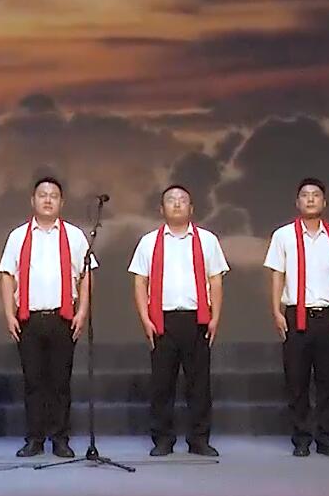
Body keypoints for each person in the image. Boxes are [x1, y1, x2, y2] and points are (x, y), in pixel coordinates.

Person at [0, 177, 95, 458]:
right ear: (33, 201)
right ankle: (35, 439)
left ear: (61, 202)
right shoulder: (18, 236)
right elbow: (7, 276)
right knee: (33, 383)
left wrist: (82, 311)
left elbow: (87, 276)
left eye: (53, 195)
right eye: (42, 195)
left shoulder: (75, 236)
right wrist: (9, 314)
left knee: (60, 383)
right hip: (28, 319)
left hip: (63, 319)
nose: (48, 199)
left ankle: (60, 439)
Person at [130, 183, 228, 457]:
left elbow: (215, 281)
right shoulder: (149, 242)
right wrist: (145, 319)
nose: (176, 204)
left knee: (199, 385)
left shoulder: (207, 240)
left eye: (182, 200)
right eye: (170, 200)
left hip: (197, 320)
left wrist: (215, 318)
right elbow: (140, 282)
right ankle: (163, 439)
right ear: (161, 209)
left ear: (191, 208)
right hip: (162, 321)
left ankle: (199, 439)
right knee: (162, 385)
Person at [263, 178, 329, 458]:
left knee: (328, 382)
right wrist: (276, 311)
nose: (311, 199)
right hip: (297, 315)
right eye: (305, 195)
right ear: (297, 202)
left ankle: (326, 439)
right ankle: (301, 439)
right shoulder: (283, 236)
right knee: (297, 381)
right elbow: (277, 274)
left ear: (324, 202)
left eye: (316, 195)